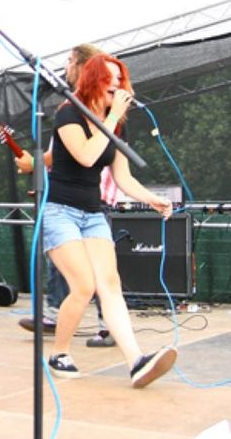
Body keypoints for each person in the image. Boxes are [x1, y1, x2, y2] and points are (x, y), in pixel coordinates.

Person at [42, 52, 177, 387]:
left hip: (93, 213)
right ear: (94, 81)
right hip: (60, 211)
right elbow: (86, 156)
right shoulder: (69, 113)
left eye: (121, 80)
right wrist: (112, 116)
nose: (118, 85)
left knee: (110, 286)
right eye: (111, 79)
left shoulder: (116, 124)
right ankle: (59, 352)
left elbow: (122, 177)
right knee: (83, 285)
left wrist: (151, 198)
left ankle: (136, 362)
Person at [15, 43, 117, 347]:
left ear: (84, 66)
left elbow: (86, 154)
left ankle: (106, 325)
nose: (65, 67)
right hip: (66, 199)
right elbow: (59, 154)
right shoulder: (70, 109)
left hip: (94, 197)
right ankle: (57, 318)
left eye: (70, 60)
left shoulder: (97, 108)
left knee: (101, 273)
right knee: (69, 266)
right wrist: (36, 165)